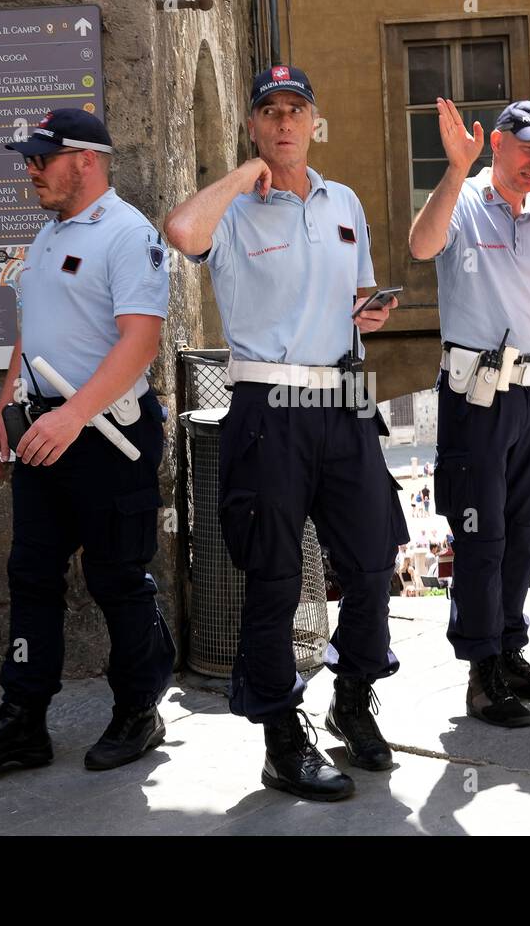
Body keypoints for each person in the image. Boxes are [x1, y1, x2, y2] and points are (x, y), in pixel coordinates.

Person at [164, 65, 407, 802]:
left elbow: (358, 292)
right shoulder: (233, 212)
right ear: (253, 127)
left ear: (313, 119)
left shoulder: (345, 203)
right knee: (273, 576)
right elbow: (179, 230)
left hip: (345, 396)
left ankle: (354, 695)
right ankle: (279, 734)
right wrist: (245, 176)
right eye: (269, 112)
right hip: (268, 403)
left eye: (295, 110)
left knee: (372, 560)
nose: (283, 123)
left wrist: (370, 312)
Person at [0, 109, 175, 774]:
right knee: (31, 575)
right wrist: (0, 412)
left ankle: (139, 709)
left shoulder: (129, 235)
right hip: (44, 430)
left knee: (117, 577)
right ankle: (24, 720)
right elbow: (31, 334)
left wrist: (73, 414)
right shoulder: (47, 238)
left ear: (88, 159)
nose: (31, 169)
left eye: (43, 157)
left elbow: (140, 340)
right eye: (29, 158)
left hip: (109, 435)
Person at [409, 97, 530, 727]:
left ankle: (510, 650)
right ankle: (481, 673)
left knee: (521, 531)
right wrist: (454, 170)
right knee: (480, 534)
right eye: (528, 148)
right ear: (498, 146)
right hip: (476, 394)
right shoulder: (462, 202)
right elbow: (420, 243)